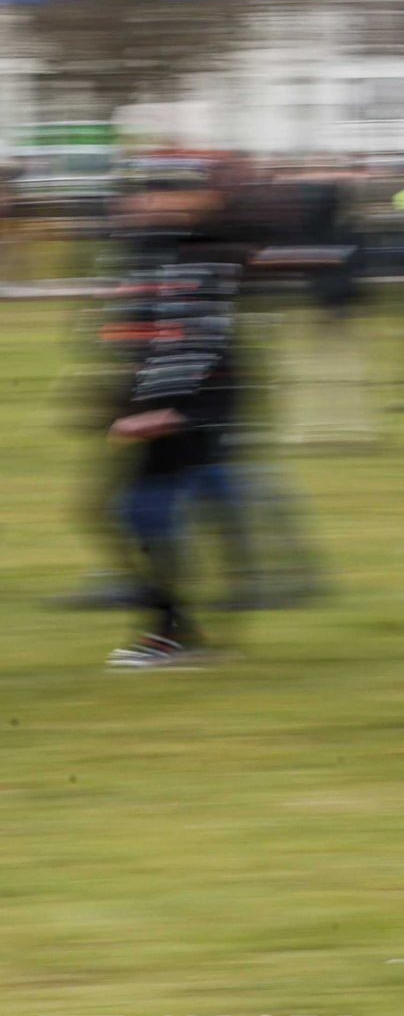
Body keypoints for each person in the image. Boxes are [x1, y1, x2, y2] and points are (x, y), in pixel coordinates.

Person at [99, 167, 251, 668]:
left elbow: (201, 336)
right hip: (167, 409)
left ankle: (173, 630)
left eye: (162, 195)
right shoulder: (148, 249)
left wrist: (168, 410)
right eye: (144, 195)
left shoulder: (199, 252)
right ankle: (183, 623)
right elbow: (137, 331)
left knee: (137, 513)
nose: (145, 203)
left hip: (186, 411)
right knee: (138, 513)